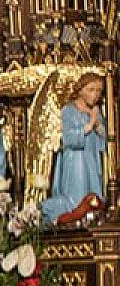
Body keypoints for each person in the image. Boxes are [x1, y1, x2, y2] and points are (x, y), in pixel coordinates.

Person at [41, 72, 106, 225]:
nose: (96, 94)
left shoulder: (96, 111)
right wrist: (89, 125)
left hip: (92, 159)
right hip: (75, 161)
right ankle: (69, 220)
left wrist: (98, 124)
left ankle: (90, 221)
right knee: (75, 198)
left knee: (94, 197)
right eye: (91, 90)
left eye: (99, 91)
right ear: (81, 90)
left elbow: (104, 140)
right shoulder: (69, 110)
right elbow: (67, 139)